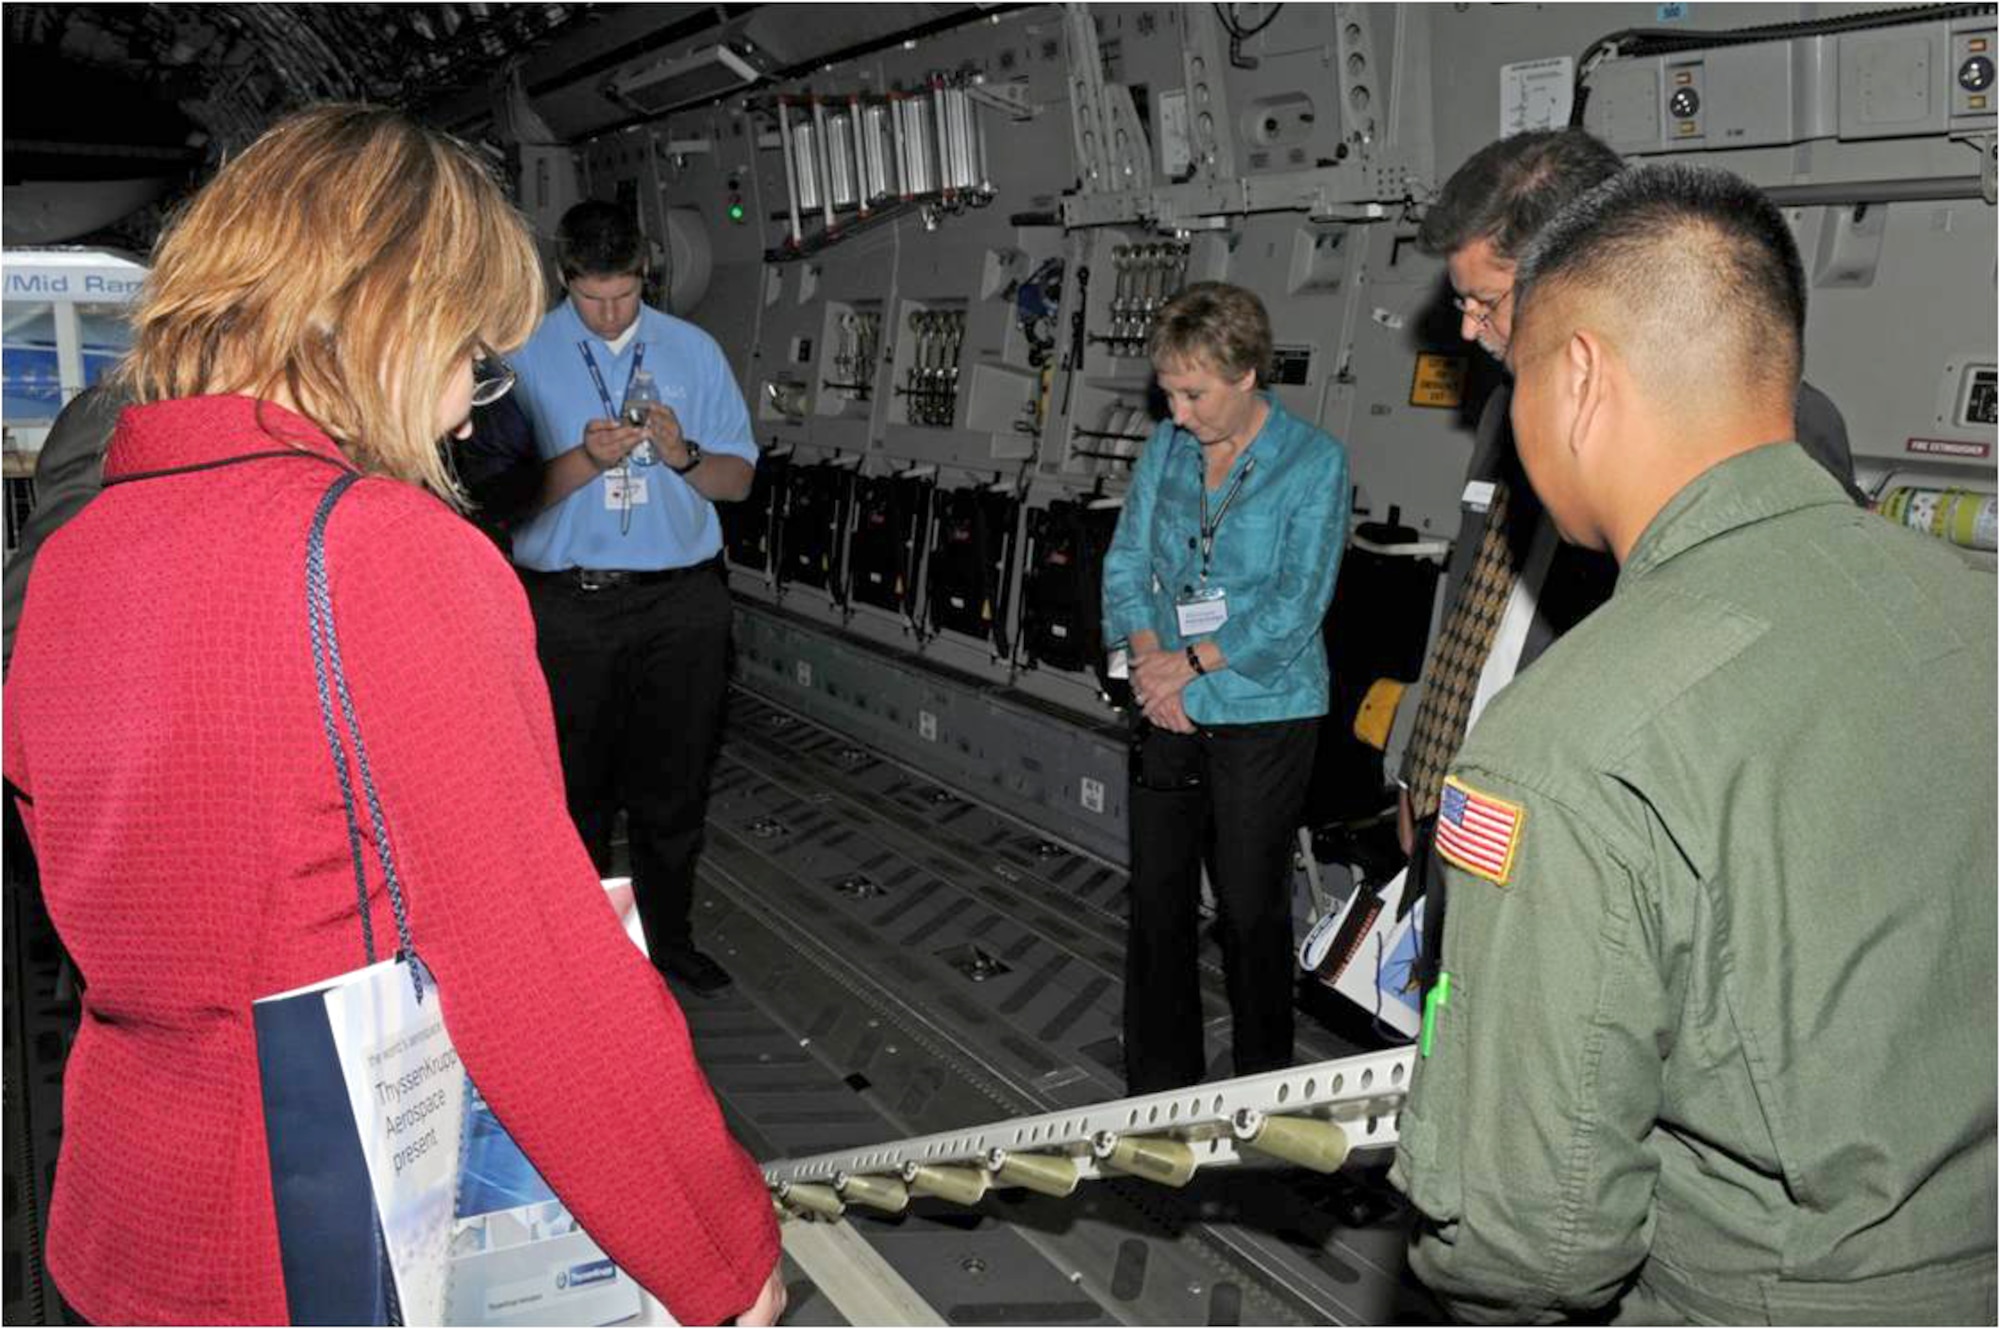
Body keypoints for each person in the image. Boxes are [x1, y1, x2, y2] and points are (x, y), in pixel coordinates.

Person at [3, 105, 784, 1327]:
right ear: (387, 311)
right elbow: (535, 973)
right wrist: (722, 1253)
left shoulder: (76, 556)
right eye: (471, 351)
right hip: (334, 1239)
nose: (473, 412)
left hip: (125, 1225)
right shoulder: (382, 548)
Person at [1389, 162, 1996, 1322]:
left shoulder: (1564, 752)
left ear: (1574, 379)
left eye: (1509, 376)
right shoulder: (1965, 605)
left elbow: (1530, 1242)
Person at [1391, 128, 1863, 987]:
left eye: (1486, 301)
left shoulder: (1772, 423)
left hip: (1593, 845)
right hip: (1475, 802)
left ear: (1575, 276)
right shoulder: (1511, 406)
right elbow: (1477, 600)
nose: (1467, 329)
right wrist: (1430, 763)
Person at [1102, 282, 1350, 1092]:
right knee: (1160, 906)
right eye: (1168, 391)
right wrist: (1150, 662)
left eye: (1193, 393)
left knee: (1250, 912)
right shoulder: (1167, 450)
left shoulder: (1314, 462)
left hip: (1262, 711)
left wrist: (1191, 663)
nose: (1176, 413)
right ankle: (1155, 1088)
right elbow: (1128, 561)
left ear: (1246, 375)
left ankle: (1262, 1091)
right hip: (1165, 702)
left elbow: (1296, 604)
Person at [509, 200, 756, 995]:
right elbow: (508, 502)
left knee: (675, 786)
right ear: (564, 277)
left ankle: (669, 940)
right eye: (593, 297)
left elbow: (740, 481)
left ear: (646, 274)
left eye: (625, 294)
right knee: (573, 796)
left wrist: (684, 457)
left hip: (680, 603)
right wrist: (584, 457)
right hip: (569, 608)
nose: (611, 313)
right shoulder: (520, 356)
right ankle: (583, 960)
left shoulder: (693, 350)